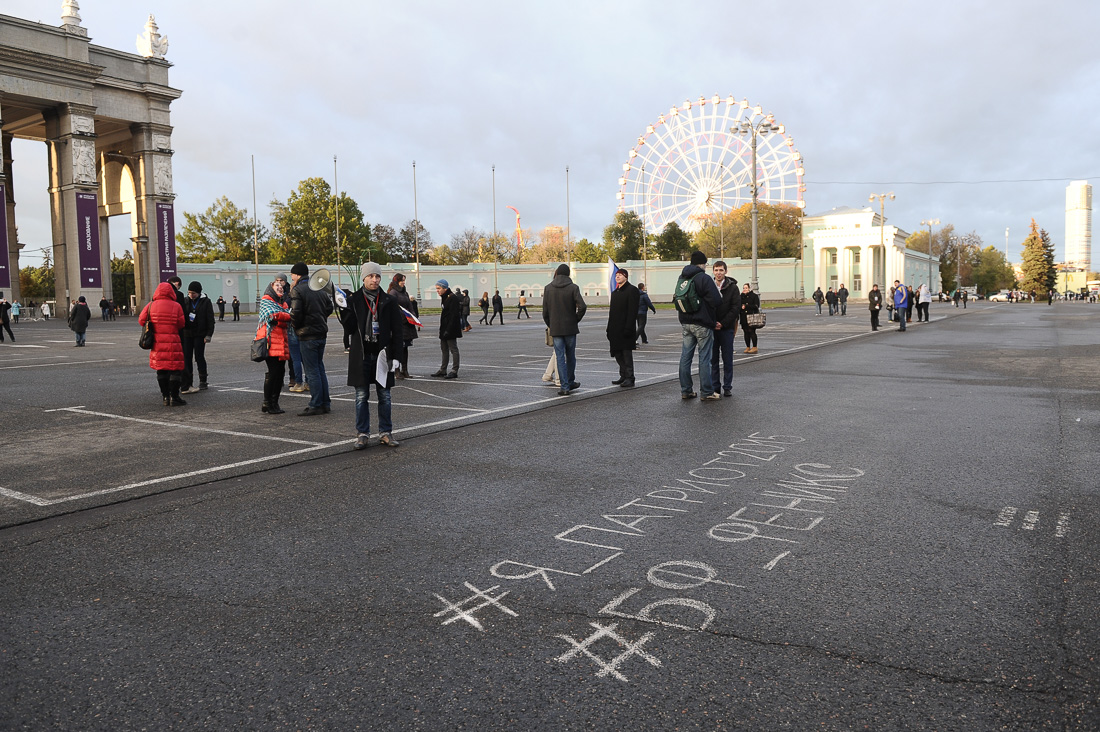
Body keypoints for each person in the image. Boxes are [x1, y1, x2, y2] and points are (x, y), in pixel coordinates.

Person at [341, 262, 405, 449]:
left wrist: (397, 356)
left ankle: (385, 432)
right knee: (361, 396)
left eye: (377, 276)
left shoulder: (389, 300)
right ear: (364, 278)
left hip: (382, 355)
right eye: (371, 276)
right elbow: (350, 328)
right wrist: (343, 308)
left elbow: (397, 330)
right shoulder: (354, 300)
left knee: (384, 395)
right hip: (361, 354)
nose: (375, 280)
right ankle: (362, 434)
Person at [676, 251, 722, 400]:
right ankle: (707, 391)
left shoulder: (682, 277)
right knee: (704, 358)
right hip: (702, 323)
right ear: (702, 264)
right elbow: (716, 300)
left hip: (686, 322)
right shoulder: (704, 278)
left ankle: (686, 390)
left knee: (685, 357)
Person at [290, 262, 334, 416]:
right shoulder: (318, 287)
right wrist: (320, 318)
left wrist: (297, 327)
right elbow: (330, 307)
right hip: (321, 333)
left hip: (307, 335)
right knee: (319, 368)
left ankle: (316, 404)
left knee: (312, 370)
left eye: (292, 275)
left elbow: (295, 313)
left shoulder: (298, 290)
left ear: (297, 275)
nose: (292, 278)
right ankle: (325, 403)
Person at [139, 281, 186, 406]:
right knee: (175, 370)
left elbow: (141, 320)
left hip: (157, 343)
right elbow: (181, 324)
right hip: (173, 342)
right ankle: (175, 397)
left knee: (161, 371)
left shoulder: (150, 305)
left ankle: (165, 397)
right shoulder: (176, 306)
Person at [543, 263, 587, 396]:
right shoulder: (573, 287)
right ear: (568, 274)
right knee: (571, 356)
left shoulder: (548, 288)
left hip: (556, 329)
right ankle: (570, 380)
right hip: (570, 328)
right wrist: (575, 319)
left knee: (560, 357)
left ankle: (564, 386)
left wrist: (551, 324)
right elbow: (582, 307)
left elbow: (545, 312)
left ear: (556, 273)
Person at [256, 278, 293, 414]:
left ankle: (273, 402)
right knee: (274, 373)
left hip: (281, 343)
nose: (280, 288)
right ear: (271, 287)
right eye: (277, 285)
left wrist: (284, 316)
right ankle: (268, 402)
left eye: (282, 287)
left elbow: (282, 317)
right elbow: (272, 315)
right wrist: (287, 316)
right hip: (270, 343)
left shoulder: (282, 303)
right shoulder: (267, 300)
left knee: (279, 373)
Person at [710, 261, 740, 397]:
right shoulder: (709, 286)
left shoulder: (733, 288)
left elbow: (735, 308)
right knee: (713, 359)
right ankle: (715, 387)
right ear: (713, 271)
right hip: (712, 328)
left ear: (726, 271)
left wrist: (722, 323)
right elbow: (705, 306)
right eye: (716, 270)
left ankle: (727, 386)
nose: (718, 273)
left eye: (721, 270)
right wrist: (712, 322)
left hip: (726, 328)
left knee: (727, 359)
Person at [606, 267, 639, 387]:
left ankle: (630, 377)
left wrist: (629, 328)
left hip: (626, 328)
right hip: (615, 329)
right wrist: (609, 328)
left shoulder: (632, 290)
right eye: (616, 275)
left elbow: (632, 311)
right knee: (617, 353)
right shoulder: (615, 293)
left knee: (626, 354)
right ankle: (623, 375)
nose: (617, 277)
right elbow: (612, 313)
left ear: (626, 277)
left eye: (620, 275)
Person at [180, 281, 215, 393]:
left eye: (193, 293)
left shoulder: (206, 302)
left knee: (199, 357)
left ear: (199, 292)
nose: (191, 295)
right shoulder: (185, 301)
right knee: (187, 358)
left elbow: (210, 320)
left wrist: (209, 334)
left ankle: (203, 380)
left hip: (200, 334)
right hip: (187, 334)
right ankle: (188, 381)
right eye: (189, 293)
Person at [275, 273, 305, 393]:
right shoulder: (306, 295)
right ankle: (307, 381)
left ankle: (298, 382)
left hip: (292, 328)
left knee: (295, 357)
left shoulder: (289, 299)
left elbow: (288, 313)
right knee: (305, 358)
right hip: (304, 329)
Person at [387, 272, 419, 378]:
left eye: (404, 280)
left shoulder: (405, 293)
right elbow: (394, 309)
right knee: (398, 348)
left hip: (407, 326)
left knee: (405, 349)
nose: (403, 283)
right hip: (398, 325)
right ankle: (397, 370)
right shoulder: (393, 293)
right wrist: (404, 318)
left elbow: (410, 306)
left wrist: (412, 316)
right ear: (396, 281)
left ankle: (405, 370)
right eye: (401, 280)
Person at [431, 279, 462, 379]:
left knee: (453, 349)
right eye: (436, 288)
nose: (437, 290)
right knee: (444, 349)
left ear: (445, 288)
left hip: (451, 328)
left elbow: (454, 316)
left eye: (439, 288)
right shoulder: (445, 297)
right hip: (444, 328)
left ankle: (454, 370)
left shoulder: (452, 298)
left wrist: (448, 330)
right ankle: (443, 369)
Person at [739, 282, 760, 355]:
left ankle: (754, 347)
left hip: (751, 317)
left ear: (749, 288)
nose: (745, 289)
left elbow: (756, 306)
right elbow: (737, 304)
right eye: (744, 288)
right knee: (745, 332)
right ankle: (747, 346)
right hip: (743, 317)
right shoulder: (741, 296)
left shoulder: (754, 296)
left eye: (746, 288)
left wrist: (746, 306)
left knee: (751, 331)